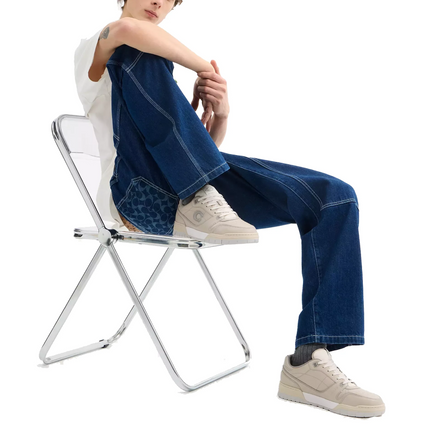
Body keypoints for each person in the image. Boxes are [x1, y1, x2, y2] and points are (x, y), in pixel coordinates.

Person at [74, 0, 385, 418]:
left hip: (195, 196)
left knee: (334, 197)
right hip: (135, 195)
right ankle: (197, 200)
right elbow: (129, 32)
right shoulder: (100, 48)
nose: (158, 2)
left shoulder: (157, 70)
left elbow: (204, 153)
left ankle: (309, 361)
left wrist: (219, 115)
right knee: (141, 51)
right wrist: (203, 67)